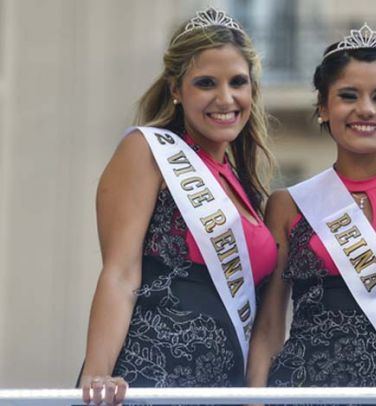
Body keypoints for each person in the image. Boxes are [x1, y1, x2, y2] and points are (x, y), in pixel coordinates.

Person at [78, 7, 277, 405]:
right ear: (176, 89)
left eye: (238, 82)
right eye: (206, 83)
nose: (225, 98)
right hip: (151, 376)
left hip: (225, 389)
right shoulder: (147, 150)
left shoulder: (247, 188)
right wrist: (97, 376)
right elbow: (120, 274)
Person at [247, 24, 376, 403]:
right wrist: (253, 399)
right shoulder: (288, 204)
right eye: (348, 96)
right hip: (302, 392)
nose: (365, 109)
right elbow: (268, 326)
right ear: (322, 108)